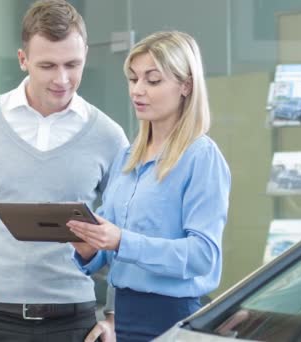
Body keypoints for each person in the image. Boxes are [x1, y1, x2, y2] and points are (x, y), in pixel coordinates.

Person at [0, 1, 128, 341]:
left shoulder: (109, 137)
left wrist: (112, 315)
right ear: (23, 60)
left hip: (75, 323)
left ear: (85, 57)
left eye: (72, 64)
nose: (62, 79)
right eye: (48, 65)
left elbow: (123, 231)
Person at [68, 31, 231, 341]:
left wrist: (121, 241)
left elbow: (202, 255)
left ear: (186, 85)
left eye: (152, 80)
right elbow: (111, 243)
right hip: (125, 318)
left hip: (174, 318)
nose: (138, 91)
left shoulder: (201, 157)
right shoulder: (128, 157)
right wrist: (87, 245)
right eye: (133, 79)